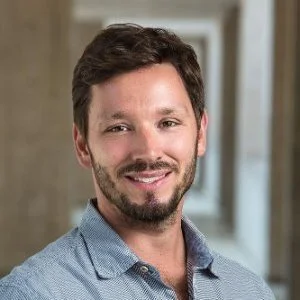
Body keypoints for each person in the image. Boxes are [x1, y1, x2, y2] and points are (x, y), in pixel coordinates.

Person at [0, 23, 274, 300]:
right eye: (119, 127)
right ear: (82, 145)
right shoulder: (32, 293)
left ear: (200, 133)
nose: (148, 151)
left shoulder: (250, 290)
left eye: (168, 122)